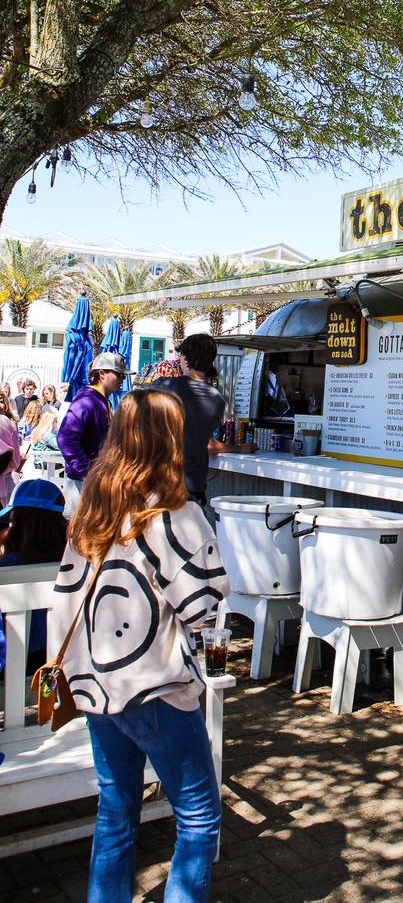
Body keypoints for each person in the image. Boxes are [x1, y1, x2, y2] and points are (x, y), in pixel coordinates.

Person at [50, 389, 231, 903]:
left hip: (96, 687)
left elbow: (65, 593)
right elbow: (203, 608)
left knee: (116, 810)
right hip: (157, 689)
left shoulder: (93, 505)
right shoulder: (173, 513)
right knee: (198, 815)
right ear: (169, 440)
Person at [151, 334, 226, 512]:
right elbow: (201, 439)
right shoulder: (218, 400)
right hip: (193, 487)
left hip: (160, 484)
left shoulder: (162, 386)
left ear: (185, 358)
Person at [0, 480, 67, 673]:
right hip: (59, 666)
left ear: (15, 521)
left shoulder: (7, 565)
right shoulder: (76, 564)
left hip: (13, 668)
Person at [57, 353, 128, 515]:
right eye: (119, 374)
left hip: (93, 482)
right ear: (102, 374)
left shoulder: (100, 400)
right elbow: (65, 439)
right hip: (81, 485)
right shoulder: (88, 400)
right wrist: (88, 470)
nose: (122, 378)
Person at [0, 392, 25, 504]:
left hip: (5, 480)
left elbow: (14, 456)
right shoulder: (4, 421)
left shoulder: (5, 421)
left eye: (1, 401)